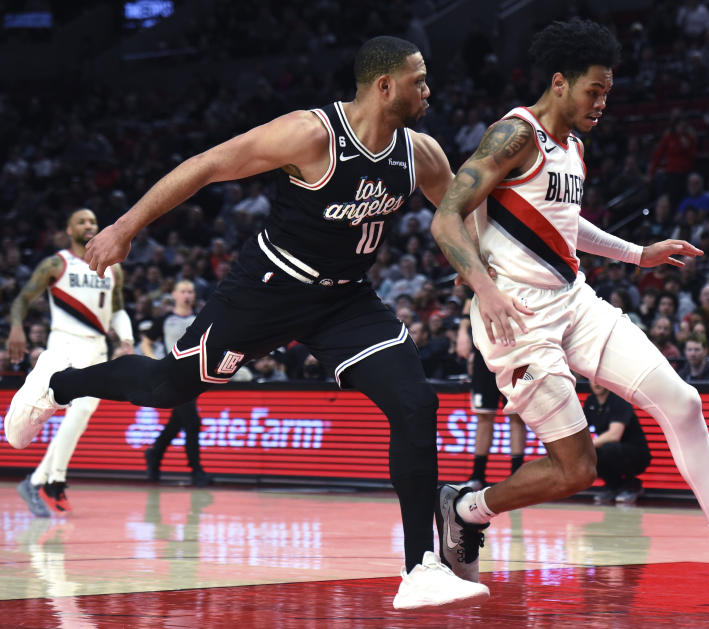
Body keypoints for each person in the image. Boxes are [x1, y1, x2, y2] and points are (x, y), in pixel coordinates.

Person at [3, 36, 487, 610]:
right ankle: (59, 384)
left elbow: (456, 211)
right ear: (385, 87)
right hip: (268, 289)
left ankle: (418, 568)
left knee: (415, 403)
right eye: (418, 81)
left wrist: (472, 267)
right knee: (165, 387)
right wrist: (126, 226)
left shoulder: (422, 154)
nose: (428, 91)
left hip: (345, 301)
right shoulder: (311, 135)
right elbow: (208, 165)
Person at [429, 17, 709, 598]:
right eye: (593, 91)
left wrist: (637, 253)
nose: (603, 102)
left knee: (683, 401)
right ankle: (468, 508)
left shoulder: (573, 147)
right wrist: (483, 286)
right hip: (516, 320)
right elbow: (446, 214)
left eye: (608, 91)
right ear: (559, 82)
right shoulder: (514, 134)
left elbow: (561, 223)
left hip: (573, 302)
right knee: (577, 470)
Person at [6, 209, 134, 517]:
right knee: (76, 413)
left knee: (82, 415)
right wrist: (16, 326)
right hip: (65, 344)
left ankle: (41, 480)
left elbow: (117, 309)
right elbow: (23, 299)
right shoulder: (56, 263)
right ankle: (51, 480)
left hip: (98, 347)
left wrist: (126, 340)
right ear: (68, 229)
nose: (89, 224)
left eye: (93, 220)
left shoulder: (113, 268)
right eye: (82, 221)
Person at [139, 279, 211, 487]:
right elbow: (146, 341)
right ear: (175, 295)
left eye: (190, 291)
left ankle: (154, 454)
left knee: (176, 423)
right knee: (192, 422)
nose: (187, 295)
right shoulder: (165, 319)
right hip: (171, 376)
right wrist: (154, 361)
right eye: (183, 291)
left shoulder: (201, 319)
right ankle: (196, 471)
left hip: (194, 377)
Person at [455, 295, 526, 489]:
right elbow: (469, 302)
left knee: (516, 415)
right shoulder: (484, 277)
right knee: (484, 416)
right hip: (485, 352)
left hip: (514, 351)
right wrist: (462, 332)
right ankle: (477, 475)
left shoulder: (518, 278)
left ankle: (517, 475)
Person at [584, 380, 651, 504]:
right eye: (592, 380)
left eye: (599, 380)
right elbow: (581, 429)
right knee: (587, 456)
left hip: (636, 454)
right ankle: (614, 486)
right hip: (609, 450)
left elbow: (614, 435)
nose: (596, 383)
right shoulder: (590, 402)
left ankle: (632, 486)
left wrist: (586, 447)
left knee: (608, 449)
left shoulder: (619, 400)